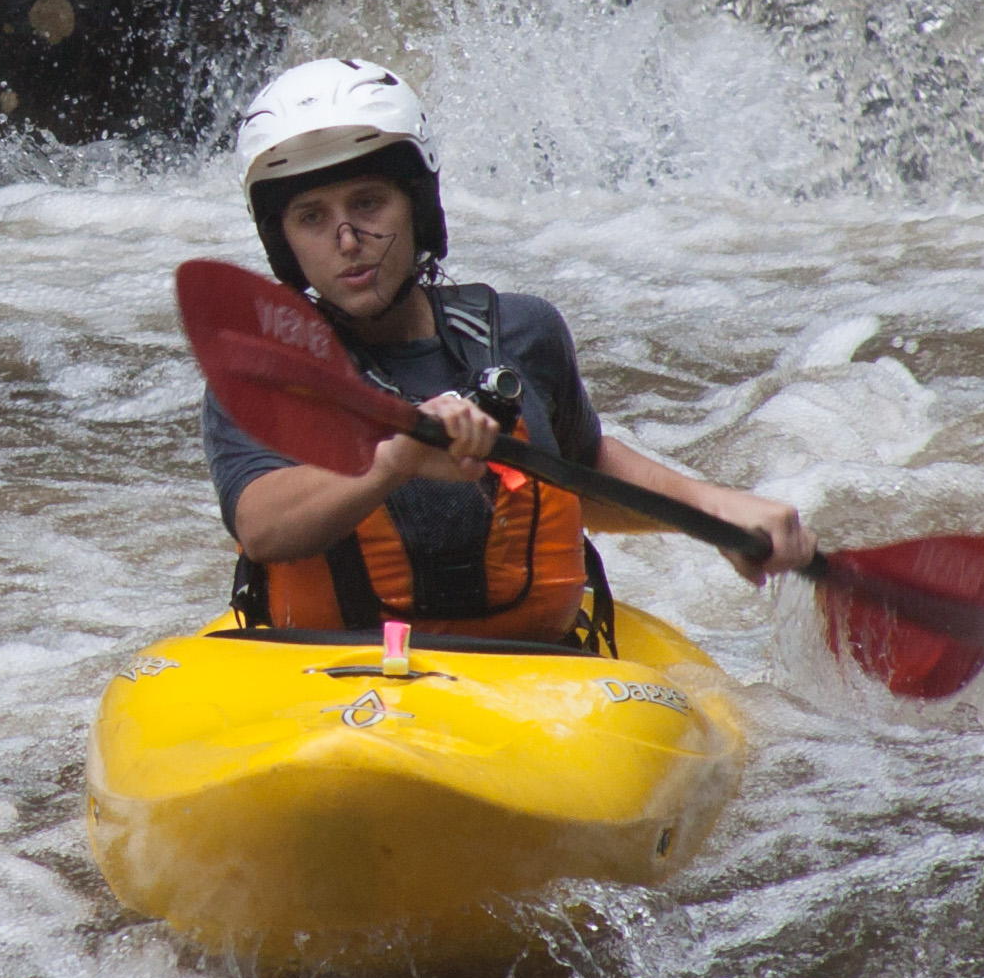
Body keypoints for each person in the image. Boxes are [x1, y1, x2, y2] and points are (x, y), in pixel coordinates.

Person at [204, 58, 816, 642]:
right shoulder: (266, 371)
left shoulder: (521, 333)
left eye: (368, 203)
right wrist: (396, 461)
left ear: (416, 207)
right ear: (283, 242)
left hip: (532, 670)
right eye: (312, 217)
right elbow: (262, 526)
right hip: (332, 675)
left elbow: (579, 467)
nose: (347, 240)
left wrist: (713, 509)